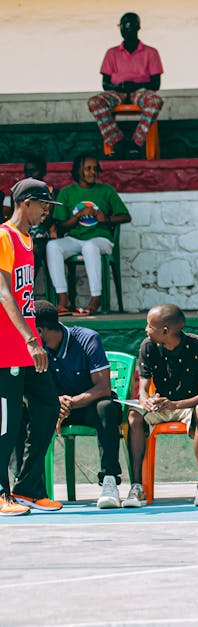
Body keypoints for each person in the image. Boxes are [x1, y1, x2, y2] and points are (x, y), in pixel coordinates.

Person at [0, 179, 58, 516]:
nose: (46, 210)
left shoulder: (28, 240)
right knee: (6, 424)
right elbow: (4, 292)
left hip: (24, 345)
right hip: (8, 346)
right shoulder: (4, 236)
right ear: (25, 203)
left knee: (47, 407)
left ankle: (28, 488)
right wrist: (31, 339)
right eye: (43, 204)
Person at [33, 300, 124, 509]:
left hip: (87, 406)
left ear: (39, 330)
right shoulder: (35, 350)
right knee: (21, 411)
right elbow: (32, 389)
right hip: (55, 408)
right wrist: (55, 405)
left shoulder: (87, 339)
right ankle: (28, 486)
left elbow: (102, 387)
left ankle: (109, 480)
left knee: (107, 407)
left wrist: (70, 403)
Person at [125, 304, 198, 508]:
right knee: (133, 416)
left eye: (150, 326)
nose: (146, 330)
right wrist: (145, 401)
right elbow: (143, 387)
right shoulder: (147, 346)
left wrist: (175, 404)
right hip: (159, 407)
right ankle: (137, 487)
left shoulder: (197, 346)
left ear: (165, 330)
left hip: (189, 405)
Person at [48, 154, 132, 316]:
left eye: (95, 169)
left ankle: (96, 299)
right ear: (78, 171)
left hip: (101, 239)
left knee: (89, 246)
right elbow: (61, 224)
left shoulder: (106, 191)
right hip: (75, 238)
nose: (92, 172)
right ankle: (63, 299)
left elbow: (125, 216)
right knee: (52, 246)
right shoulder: (67, 193)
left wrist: (105, 218)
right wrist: (78, 216)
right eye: (88, 168)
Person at [88, 12, 164, 159]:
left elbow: (156, 84)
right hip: (117, 91)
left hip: (141, 91)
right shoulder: (112, 53)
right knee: (94, 101)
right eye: (121, 26)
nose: (124, 30)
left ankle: (135, 143)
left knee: (155, 101)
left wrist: (135, 85)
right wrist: (119, 87)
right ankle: (119, 142)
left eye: (128, 26)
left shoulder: (151, 52)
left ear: (138, 27)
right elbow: (105, 83)